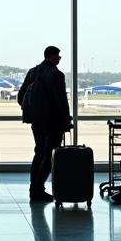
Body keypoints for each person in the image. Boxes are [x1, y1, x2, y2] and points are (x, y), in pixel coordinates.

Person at [18, 45, 73, 203]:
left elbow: (21, 96)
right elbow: (61, 100)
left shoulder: (32, 72)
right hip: (53, 121)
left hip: (36, 120)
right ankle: (38, 188)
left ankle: (33, 187)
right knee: (49, 156)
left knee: (39, 152)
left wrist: (32, 111)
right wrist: (65, 121)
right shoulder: (56, 74)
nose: (60, 58)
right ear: (51, 56)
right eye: (58, 55)